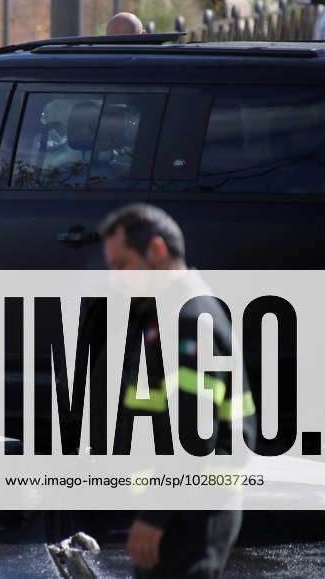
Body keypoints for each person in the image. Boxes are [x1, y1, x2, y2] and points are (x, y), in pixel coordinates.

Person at [98, 203, 256, 579]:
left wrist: (155, 518)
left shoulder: (188, 319)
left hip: (192, 512)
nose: (115, 278)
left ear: (156, 250)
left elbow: (194, 435)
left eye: (122, 266)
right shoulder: (169, 311)